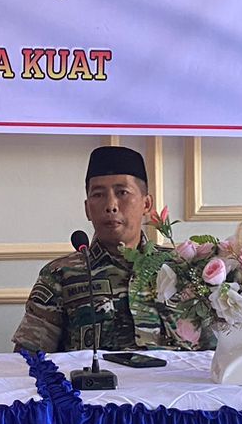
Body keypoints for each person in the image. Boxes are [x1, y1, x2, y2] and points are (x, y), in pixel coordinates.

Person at [12, 144, 181, 353]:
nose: (111, 205)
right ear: (87, 209)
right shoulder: (59, 274)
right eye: (99, 195)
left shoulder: (180, 267)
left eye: (122, 192)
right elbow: (28, 357)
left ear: (146, 204)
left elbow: (210, 354)